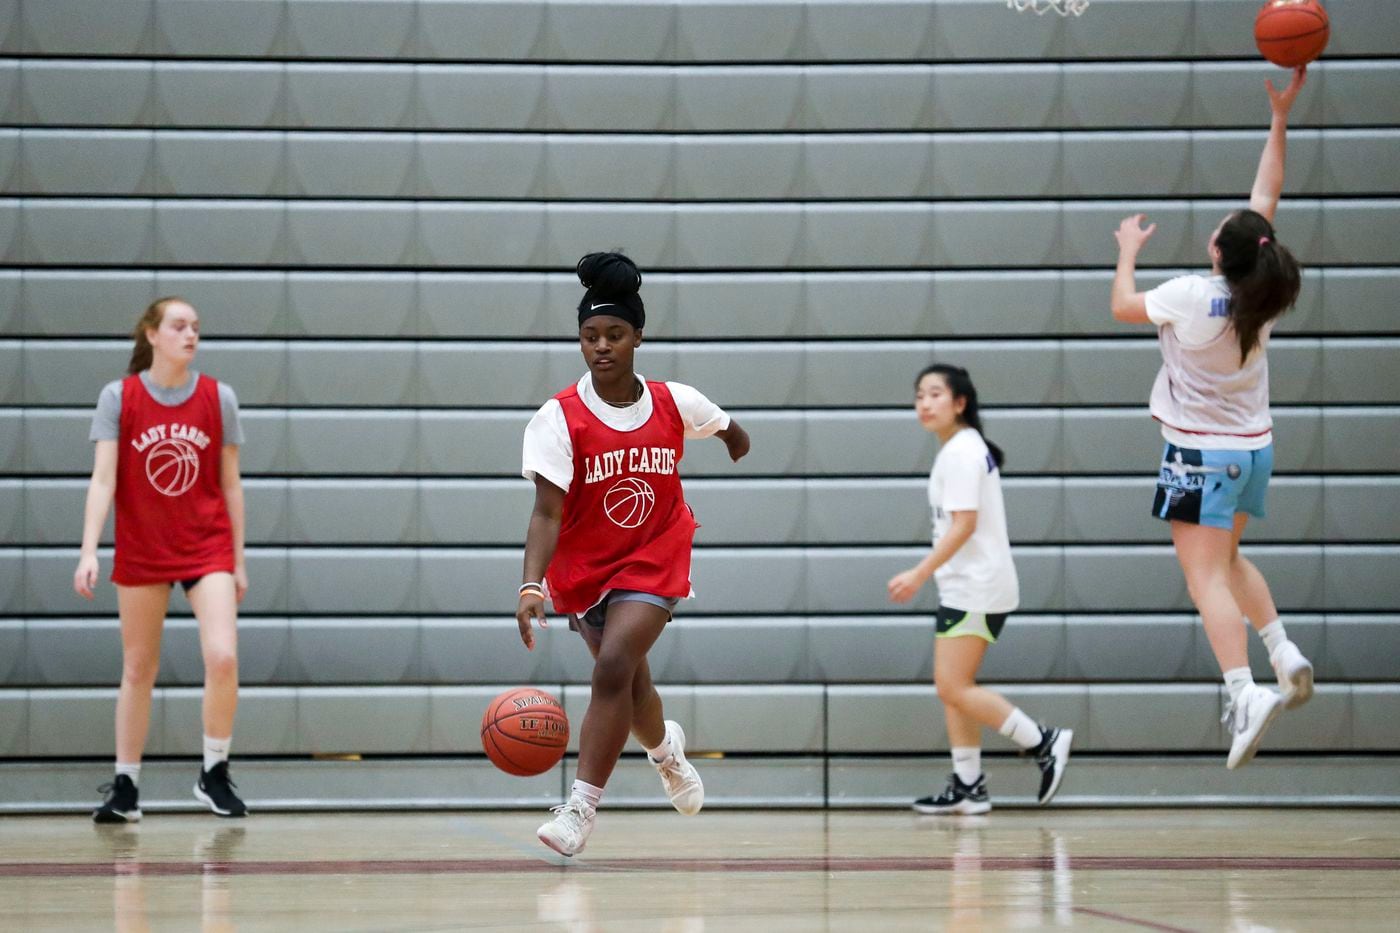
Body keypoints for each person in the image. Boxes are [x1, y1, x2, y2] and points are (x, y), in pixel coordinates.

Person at [1110, 66, 1314, 770]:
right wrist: (1279, 117)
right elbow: (1267, 194)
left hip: (1199, 455)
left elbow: (1122, 307)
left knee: (1205, 581)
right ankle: (1282, 649)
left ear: (1218, 252)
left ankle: (1244, 692)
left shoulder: (1191, 295)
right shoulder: (1263, 293)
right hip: (1254, 450)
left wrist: (1127, 253)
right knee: (1225, 561)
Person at [516, 252, 750, 857]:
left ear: (638, 336)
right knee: (631, 687)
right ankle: (666, 751)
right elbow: (546, 513)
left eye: (615, 334)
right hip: (587, 568)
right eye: (590, 335)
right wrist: (530, 584)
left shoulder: (675, 401)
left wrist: (732, 438)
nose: (602, 346)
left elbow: (733, 432)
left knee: (614, 664)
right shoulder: (558, 418)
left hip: (655, 553)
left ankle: (579, 810)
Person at [74, 297, 249, 821]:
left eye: (196, 327)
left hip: (206, 544)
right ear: (152, 334)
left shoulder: (219, 397)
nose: (190, 334)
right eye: (178, 326)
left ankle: (213, 771)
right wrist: (88, 550)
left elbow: (231, 485)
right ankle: (126, 787)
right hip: (143, 545)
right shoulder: (118, 397)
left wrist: (238, 560)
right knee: (137, 667)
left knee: (223, 656)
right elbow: (103, 480)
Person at [888, 364, 1072, 815]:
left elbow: (964, 525)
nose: (925, 403)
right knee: (956, 687)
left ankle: (1042, 741)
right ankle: (969, 785)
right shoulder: (962, 447)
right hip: (970, 586)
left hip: (976, 588)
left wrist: (918, 573)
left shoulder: (963, 453)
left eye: (935, 394)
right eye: (919, 395)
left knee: (952, 687)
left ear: (960, 402)